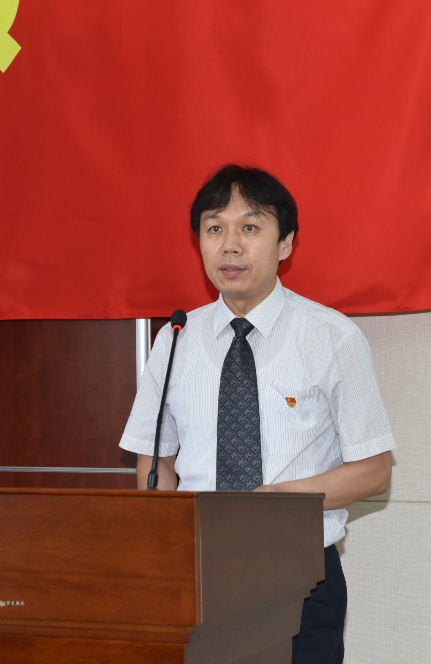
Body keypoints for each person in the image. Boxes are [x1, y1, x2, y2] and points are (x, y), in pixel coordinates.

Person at [119, 164, 395, 664]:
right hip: (198, 574)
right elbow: (155, 461)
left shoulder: (332, 336)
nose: (230, 245)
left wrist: (275, 501)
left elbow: (374, 471)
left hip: (299, 576)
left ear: (285, 243)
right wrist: (161, 547)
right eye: (214, 228)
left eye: (250, 227)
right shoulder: (175, 339)